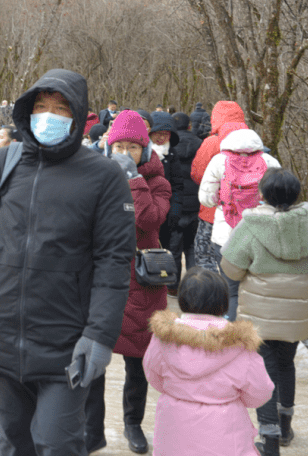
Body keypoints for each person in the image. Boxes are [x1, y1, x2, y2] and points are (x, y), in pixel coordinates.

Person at [0, 69, 136, 456]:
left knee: (56, 442)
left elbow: (114, 262)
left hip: (66, 340)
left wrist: (100, 335)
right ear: (26, 112)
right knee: (14, 440)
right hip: (3, 334)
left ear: (77, 115)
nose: (49, 115)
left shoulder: (103, 176)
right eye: (41, 106)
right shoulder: (2, 163)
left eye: (60, 108)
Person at [220, 169, 308, 455]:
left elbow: (230, 267)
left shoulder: (252, 225)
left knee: (263, 371)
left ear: (263, 194)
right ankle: (286, 428)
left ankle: (269, 440)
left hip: (258, 316)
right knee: (286, 366)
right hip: (296, 316)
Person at [85, 109, 170, 455]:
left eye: (132, 147)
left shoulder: (158, 182)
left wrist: (134, 180)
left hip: (142, 282)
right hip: (102, 279)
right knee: (94, 358)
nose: (124, 153)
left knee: (137, 362)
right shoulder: (95, 177)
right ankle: (92, 429)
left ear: (144, 149)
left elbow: (150, 219)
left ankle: (133, 423)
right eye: (118, 146)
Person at [143, 268, 274, 456]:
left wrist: (177, 391)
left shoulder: (164, 338)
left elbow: (153, 374)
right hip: (225, 431)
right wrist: (232, 399)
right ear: (223, 302)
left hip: (173, 425)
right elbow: (261, 391)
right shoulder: (239, 344)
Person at [198, 122, 281, 320]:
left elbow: (205, 199)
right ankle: (254, 335)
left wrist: (221, 199)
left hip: (225, 236)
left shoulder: (219, 161)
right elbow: (279, 199)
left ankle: (230, 335)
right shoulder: (269, 161)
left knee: (231, 289)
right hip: (261, 236)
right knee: (256, 288)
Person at [191, 101, 247, 272]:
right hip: (244, 214)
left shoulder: (212, 142)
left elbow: (197, 173)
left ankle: (211, 295)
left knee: (206, 257)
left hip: (212, 212)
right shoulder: (251, 142)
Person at [168, 112, 203, 286]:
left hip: (176, 205)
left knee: (174, 247)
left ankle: (173, 286)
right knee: (192, 247)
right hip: (196, 203)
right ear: (189, 125)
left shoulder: (168, 146)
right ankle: (193, 284)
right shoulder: (199, 143)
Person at [148, 111, 181, 254]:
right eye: (158, 133)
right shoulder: (142, 151)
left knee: (163, 252)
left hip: (165, 213)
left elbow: (177, 184)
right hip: (144, 209)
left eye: (165, 134)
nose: (161, 137)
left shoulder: (172, 154)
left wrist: (175, 210)